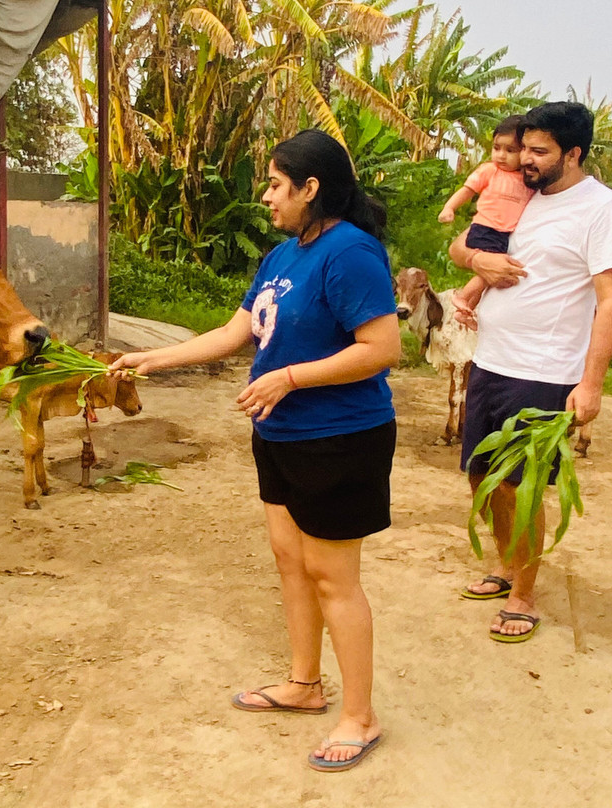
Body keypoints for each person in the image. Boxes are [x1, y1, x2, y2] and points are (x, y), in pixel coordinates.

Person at [109, 129, 400, 772]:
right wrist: (148, 359)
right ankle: (303, 684)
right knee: (290, 561)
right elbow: (235, 333)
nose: (266, 196)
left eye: (274, 184)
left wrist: (290, 377)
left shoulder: (350, 253)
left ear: (310, 187)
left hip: (340, 438)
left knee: (333, 577)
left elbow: (381, 349)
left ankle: (361, 715)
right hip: (280, 434)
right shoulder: (281, 255)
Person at [449, 102, 612, 641]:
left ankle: (524, 594)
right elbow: (464, 244)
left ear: (573, 154)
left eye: (538, 151)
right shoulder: (518, 194)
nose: (524, 159)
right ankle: (508, 564)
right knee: (481, 476)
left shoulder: (603, 210)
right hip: (491, 360)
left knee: (521, 486)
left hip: (546, 371)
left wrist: (592, 383)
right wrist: (476, 261)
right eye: (522, 147)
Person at [436, 115, 534, 322]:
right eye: (497, 148)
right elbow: (467, 191)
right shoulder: (490, 171)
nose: (501, 155)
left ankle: (466, 311)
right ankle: (462, 297)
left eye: (510, 150)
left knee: (490, 276)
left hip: (503, 232)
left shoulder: (527, 181)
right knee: (491, 271)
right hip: (486, 227)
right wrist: (449, 208)